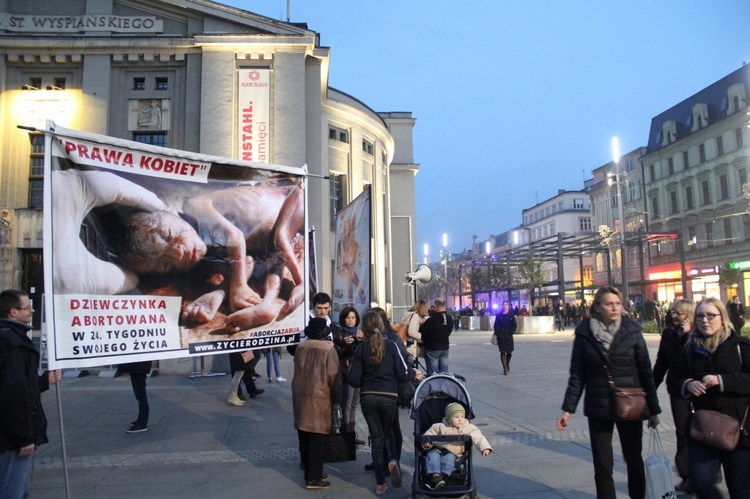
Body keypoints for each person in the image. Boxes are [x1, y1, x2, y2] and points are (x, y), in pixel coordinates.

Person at [556, 286, 661, 499]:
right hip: (599, 405)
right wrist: (568, 410)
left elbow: (646, 372)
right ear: (597, 307)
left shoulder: (633, 331)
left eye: (617, 304)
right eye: (608, 304)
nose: (614, 308)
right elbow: (577, 375)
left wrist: (653, 409)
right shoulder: (585, 334)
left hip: (630, 403)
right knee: (603, 464)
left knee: (633, 459)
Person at [668, 297, 750, 499]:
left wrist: (721, 381)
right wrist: (687, 384)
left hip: (740, 429)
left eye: (711, 315)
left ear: (722, 318)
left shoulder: (740, 346)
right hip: (704, 428)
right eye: (700, 316)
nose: (705, 320)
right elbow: (674, 381)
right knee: (701, 481)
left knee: (741, 489)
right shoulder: (690, 348)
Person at [349, 310, 424, 495]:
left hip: (368, 397)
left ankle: (380, 483)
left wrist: (364, 382)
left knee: (376, 438)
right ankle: (392, 460)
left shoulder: (361, 348)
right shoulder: (391, 345)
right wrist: (414, 374)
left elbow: (353, 378)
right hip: (388, 396)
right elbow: (402, 373)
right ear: (382, 325)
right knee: (389, 431)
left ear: (364, 328)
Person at [0, 289, 61, 498]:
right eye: (27, 307)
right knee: (12, 489)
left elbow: (22, 384)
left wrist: (44, 380)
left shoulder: (12, 338)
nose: (33, 311)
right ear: (13, 312)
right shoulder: (13, 343)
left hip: (9, 432)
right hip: (11, 436)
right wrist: (23, 437)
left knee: (18, 488)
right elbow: (13, 393)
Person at [292, 317, 341, 490]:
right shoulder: (328, 350)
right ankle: (313, 478)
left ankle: (309, 468)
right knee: (317, 437)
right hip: (319, 396)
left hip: (300, 394)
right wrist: (336, 398)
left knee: (304, 432)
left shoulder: (301, 347)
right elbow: (334, 376)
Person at [652, 299, 695, 494]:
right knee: (683, 432)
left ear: (690, 315)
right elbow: (662, 362)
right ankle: (687, 476)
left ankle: (709, 468)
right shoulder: (668, 334)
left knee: (706, 431)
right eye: (673, 312)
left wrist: (687, 335)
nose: (674, 315)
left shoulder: (698, 333)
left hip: (700, 390)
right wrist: (651, 388)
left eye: (679, 313)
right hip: (678, 391)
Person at [420, 402, 493, 490]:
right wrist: (426, 442)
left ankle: (440, 477)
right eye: (456, 417)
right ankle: (435, 475)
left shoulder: (467, 428)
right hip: (437, 449)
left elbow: (478, 436)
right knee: (432, 456)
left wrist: (485, 448)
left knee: (449, 460)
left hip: (453, 452)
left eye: (462, 416)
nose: (460, 420)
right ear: (449, 418)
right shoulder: (439, 426)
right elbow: (428, 434)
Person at [334, 306, 363, 443]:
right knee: (347, 404)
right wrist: (345, 344)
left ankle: (352, 432)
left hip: (358, 373)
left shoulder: (360, 333)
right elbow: (338, 353)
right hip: (346, 373)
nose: (351, 320)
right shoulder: (340, 334)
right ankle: (346, 433)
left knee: (354, 404)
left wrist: (359, 341)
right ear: (343, 319)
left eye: (353, 318)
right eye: (348, 318)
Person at [419, 298, 453, 375]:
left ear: (436, 306)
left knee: (433, 374)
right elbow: (449, 331)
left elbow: (422, 331)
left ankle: (434, 386)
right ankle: (443, 385)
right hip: (444, 347)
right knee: (444, 373)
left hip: (432, 348)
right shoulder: (449, 318)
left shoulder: (432, 320)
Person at [117, 361, 153, 433]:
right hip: (138, 366)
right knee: (139, 394)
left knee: (141, 394)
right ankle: (141, 420)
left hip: (138, 367)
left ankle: (142, 422)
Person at [493, 301, 517, 375]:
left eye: (506, 305)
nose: (504, 306)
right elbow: (495, 325)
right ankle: (504, 368)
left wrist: (511, 332)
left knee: (509, 352)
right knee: (502, 351)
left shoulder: (511, 315)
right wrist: (498, 333)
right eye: (503, 304)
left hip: (509, 335)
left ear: (508, 306)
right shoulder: (499, 315)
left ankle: (507, 364)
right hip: (501, 336)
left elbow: (514, 325)